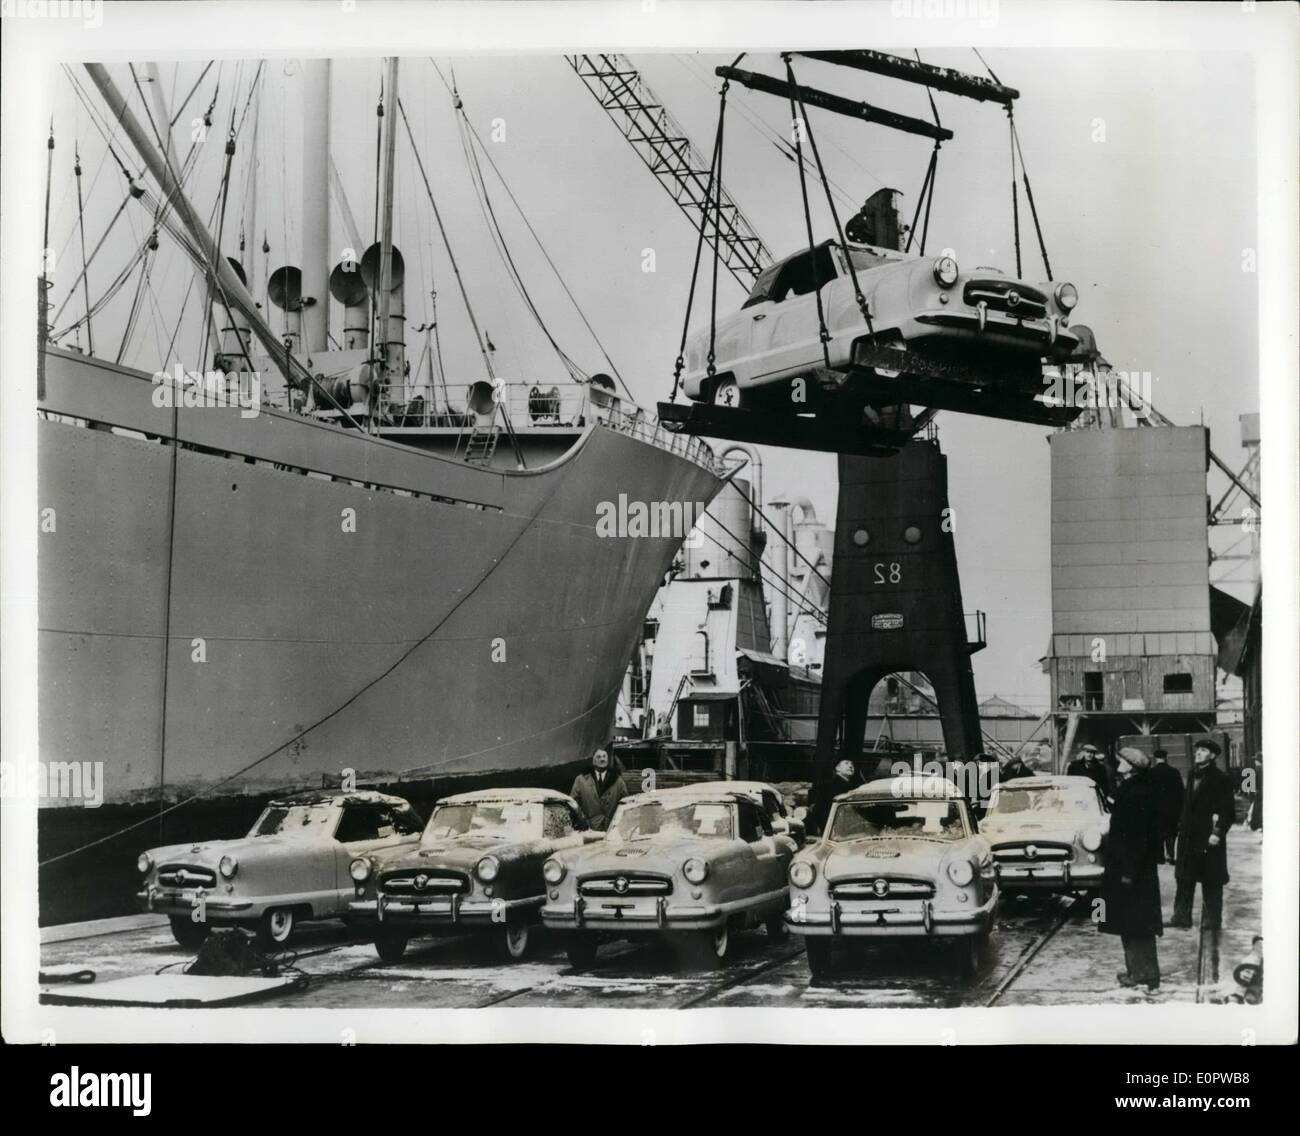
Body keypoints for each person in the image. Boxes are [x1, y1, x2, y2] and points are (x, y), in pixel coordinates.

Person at [1099, 746, 1164, 991]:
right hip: (1129, 868)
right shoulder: (1131, 789)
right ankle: (1136, 971)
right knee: (1131, 923)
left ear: (1131, 766)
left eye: (1122, 761)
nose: (1118, 763)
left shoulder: (1137, 793)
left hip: (1132, 871)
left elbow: (1138, 838)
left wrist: (1129, 872)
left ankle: (1144, 974)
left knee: (1137, 925)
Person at [1171, 738, 1236, 929]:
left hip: (1208, 838)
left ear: (1213, 755)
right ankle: (1181, 916)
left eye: (1203, 750)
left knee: (1211, 880)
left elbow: (1227, 810)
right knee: (1184, 878)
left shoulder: (1220, 778)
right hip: (1189, 836)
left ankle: (1212, 920)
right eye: (1198, 749)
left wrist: (1218, 832)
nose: (1198, 752)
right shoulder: (1192, 774)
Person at [569, 747, 628, 832]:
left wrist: (618, 823)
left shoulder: (618, 781)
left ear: (608, 760)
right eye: (599, 757)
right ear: (593, 761)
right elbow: (573, 803)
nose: (602, 759)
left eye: (604, 756)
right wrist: (582, 821)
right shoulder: (581, 780)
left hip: (612, 829)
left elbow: (625, 803)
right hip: (589, 830)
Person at [807, 758, 865, 837]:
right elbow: (818, 810)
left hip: (852, 831)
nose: (851, 766)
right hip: (834, 833)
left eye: (852, 765)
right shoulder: (828, 786)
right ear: (838, 768)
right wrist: (828, 829)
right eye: (846, 763)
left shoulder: (855, 787)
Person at [1149, 748, 1184, 864]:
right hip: (1171, 809)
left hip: (1155, 809)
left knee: (1157, 833)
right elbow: (1180, 792)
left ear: (1155, 759)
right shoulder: (1174, 772)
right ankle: (1170, 855)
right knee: (1171, 833)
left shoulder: (1151, 772)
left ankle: (1159, 857)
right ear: (1166, 758)